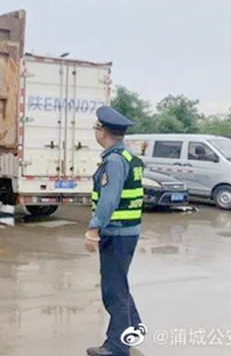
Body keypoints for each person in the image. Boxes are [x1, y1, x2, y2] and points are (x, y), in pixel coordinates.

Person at [85, 106, 146, 356]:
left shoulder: (114, 160)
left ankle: (117, 347)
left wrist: (94, 230)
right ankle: (132, 326)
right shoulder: (129, 156)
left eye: (97, 128)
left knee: (113, 290)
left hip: (117, 233)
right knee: (118, 284)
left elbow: (109, 200)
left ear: (103, 132)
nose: (96, 132)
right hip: (127, 231)